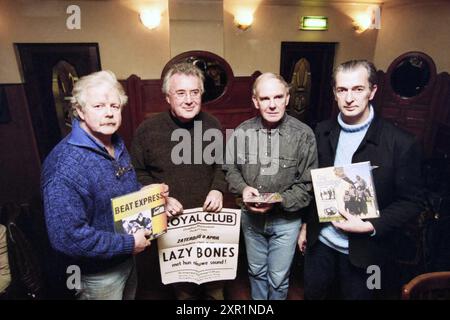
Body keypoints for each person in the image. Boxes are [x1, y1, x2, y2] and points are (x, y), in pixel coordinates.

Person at [298, 60, 424, 299]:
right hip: (321, 245)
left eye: (358, 89)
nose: (349, 98)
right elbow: (313, 185)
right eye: (342, 90)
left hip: (369, 255)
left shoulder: (401, 143)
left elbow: (412, 202)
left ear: (372, 91)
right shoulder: (320, 132)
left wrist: (370, 225)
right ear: (334, 93)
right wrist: (306, 224)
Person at [41, 70, 167, 300]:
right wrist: (128, 244)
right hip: (96, 275)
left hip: (126, 259)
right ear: (79, 111)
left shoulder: (115, 143)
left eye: (114, 106)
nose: (109, 113)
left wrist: (143, 192)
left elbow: (114, 190)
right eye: (98, 106)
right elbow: (67, 238)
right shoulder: (65, 166)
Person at [130, 62, 227, 300]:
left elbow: (223, 166)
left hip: (210, 224)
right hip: (172, 228)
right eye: (180, 93)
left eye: (195, 92)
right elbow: (137, 173)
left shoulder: (212, 125)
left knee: (216, 290)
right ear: (167, 97)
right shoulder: (147, 130)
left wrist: (217, 190)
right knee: (184, 292)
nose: (189, 99)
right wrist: (160, 199)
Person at [223, 72, 318, 300]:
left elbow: (307, 185)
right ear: (255, 101)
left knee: (278, 278)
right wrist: (243, 188)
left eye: (278, 97)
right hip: (250, 219)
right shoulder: (242, 132)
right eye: (265, 99)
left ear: (287, 98)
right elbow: (229, 168)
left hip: (286, 222)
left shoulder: (304, 135)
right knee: (255, 272)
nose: (272, 105)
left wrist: (278, 200)